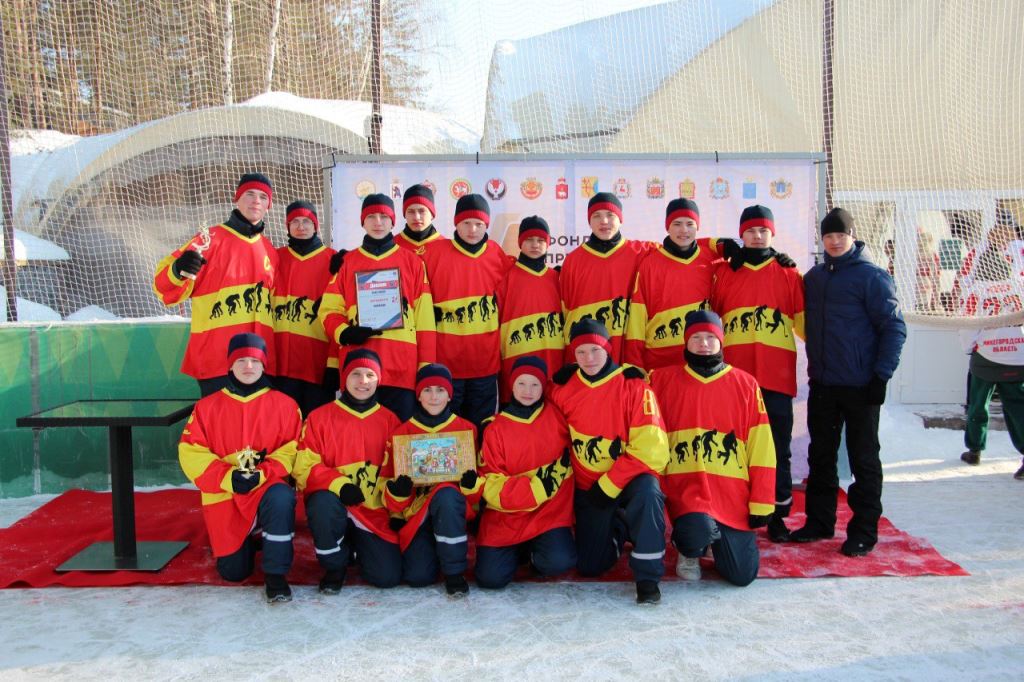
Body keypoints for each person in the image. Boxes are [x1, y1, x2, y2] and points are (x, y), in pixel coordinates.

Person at [793, 208, 906, 556]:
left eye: (841, 235)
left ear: (852, 236)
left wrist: (881, 375)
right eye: (829, 236)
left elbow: (894, 327)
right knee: (821, 457)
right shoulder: (813, 278)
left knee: (863, 459)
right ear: (822, 240)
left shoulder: (872, 277)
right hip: (824, 383)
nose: (835, 241)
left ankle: (863, 530)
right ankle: (819, 522)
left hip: (861, 385)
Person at [650, 311, 776, 586]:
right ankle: (690, 549)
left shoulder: (745, 384)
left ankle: (717, 540)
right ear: (685, 342)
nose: (703, 343)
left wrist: (762, 501)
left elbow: (762, 447)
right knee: (697, 529)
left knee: (742, 576)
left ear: (721, 341)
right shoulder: (661, 380)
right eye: (695, 337)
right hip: (687, 493)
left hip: (733, 498)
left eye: (710, 337)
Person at [549, 319, 669, 605]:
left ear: (608, 349)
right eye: (580, 352)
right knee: (590, 566)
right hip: (589, 487)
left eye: (594, 350)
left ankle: (648, 579)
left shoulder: (635, 387)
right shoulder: (563, 390)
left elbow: (652, 450)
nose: (588, 359)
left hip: (627, 481)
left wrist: (609, 484)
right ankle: (621, 527)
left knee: (650, 492)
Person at [177, 332, 300, 602]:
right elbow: (190, 451)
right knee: (234, 572)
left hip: (266, 487)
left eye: (255, 361)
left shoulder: (286, 405)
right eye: (241, 360)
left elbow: (294, 448)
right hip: (225, 494)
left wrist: (264, 473)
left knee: (282, 497)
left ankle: (276, 576)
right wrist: (227, 477)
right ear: (230, 364)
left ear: (264, 365)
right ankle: (248, 537)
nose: (248, 367)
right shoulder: (206, 407)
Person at [710, 204, 804, 542]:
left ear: (772, 233)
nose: (756, 236)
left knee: (777, 449)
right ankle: (732, 510)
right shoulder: (723, 272)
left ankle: (777, 515)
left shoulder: (789, 274)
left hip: (776, 378)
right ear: (742, 234)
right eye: (750, 230)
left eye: (762, 230)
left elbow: (806, 324)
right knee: (732, 448)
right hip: (733, 378)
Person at [154, 173, 278, 396]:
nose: (256, 201)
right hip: (217, 361)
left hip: (258, 362)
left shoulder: (270, 250)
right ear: (236, 198)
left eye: (263, 196)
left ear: (269, 205)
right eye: (249, 194)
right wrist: (178, 270)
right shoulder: (209, 239)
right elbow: (163, 288)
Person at [293, 349, 403, 592]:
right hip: (335, 504)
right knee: (322, 503)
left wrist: (397, 499)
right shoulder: (319, 418)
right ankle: (335, 566)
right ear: (344, 378)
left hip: (373, 511)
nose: (362, 381)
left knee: (387, 577)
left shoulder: (391, 421)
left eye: (369, 375)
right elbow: (303, 467)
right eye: (355, 374)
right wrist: (339, 485)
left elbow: (396, 472)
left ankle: (358, 545)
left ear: (378, 380)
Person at [319, 193, 436, 421]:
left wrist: (426, 367)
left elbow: (425, 320)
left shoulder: (413, 262)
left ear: (393, 221)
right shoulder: (348, 263)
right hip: (358, 368)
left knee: (398, 442)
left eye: (384, 216)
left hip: (402, 368)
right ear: (362, 221)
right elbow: (328, 310)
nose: (378, 222)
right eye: (371, 216)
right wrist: (345, 333)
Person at [475, 356, 576, 589]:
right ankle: (519, 549)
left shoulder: (557, 416)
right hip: (506, 518)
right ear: (511, 384)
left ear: (544, 387)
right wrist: (535, 489)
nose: (527, 391)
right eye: (521, 383)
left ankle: (533, 551)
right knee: (490, 579)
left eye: (535, 385)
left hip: (549, 515)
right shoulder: (495, 428)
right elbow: (491, 484)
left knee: (558, 562)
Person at [383, 364, 483, 597]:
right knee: (419, 577)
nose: (434, 396)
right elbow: (388, 487)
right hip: (417, 513)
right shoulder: (402, 433)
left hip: (451, 511)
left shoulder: (466, 430)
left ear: (450, 394)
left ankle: (454, 572)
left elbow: (477, 492)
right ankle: (431, 548)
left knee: (447, 495)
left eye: (440, 390)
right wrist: (399, 493)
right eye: (427, 390)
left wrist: (472, 488)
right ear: (418, 395)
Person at [421, 194, 512, 431]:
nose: (473, 229)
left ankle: (481, 469)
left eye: (479, 224)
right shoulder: (433, 253)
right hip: (446, 364)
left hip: (484, 364)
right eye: (466, 223)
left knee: (481, 428)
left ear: (487, 225)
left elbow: (520, 281)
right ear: (455, 223)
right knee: (447, 430)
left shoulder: (496, 254)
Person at [624, 198, 732, 370]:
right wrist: (635, 365)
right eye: (677, 224)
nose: (684, 230)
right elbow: (637, 320)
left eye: (690, 224)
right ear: (667, 227)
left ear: (698, 226)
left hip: (702, 361)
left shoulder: (712, 260)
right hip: (660, 363)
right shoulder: (650, 264)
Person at [559, 193, 655, 363]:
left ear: (621, 219)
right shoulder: (573, 261)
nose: (604, 221)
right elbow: (566, 316)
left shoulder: (640, 252)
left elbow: (681, 246)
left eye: (610, 215)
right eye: (597, 216)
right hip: (588, 360)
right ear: (589, 221)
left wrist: (716, 245)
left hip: (626, 356)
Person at [957, 246, 1024, 481]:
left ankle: (975, 449)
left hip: (986, 357)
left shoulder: (977, 291)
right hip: (1018, 357)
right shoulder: (1020, 286)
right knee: (1018, 409)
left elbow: (968, 325)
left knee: (978, 405)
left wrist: (969, 348)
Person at [271, 200, 338, 416]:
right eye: (295, 222)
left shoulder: (333, 260)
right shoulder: (274, 258)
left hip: (317, 365)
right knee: (283, 428)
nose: (301, 227)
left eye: (307, 221)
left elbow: (340, 315)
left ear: (316, 225)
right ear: (287, 226)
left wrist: (334, 363)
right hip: (281, 365)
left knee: (315, 427)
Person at [495, 216, 565, 402]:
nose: (535, 245)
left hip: (553, 363)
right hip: (515, 366)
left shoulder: (557, 279)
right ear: (519, 242)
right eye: (529, 239)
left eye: (541, 240)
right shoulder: (506, 278)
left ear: (548, 243)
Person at [396, 184, 444, 255]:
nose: (416, 217)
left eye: (422, 211)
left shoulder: (446, 247)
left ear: (432, 214)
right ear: (405, 214)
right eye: (411, 211)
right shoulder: (392, 246)